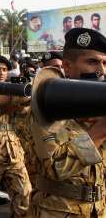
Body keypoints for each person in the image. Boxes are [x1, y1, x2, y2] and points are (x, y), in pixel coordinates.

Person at [30, 28, 106, 217]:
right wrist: (102, 129)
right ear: (67, 66)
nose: (102, 70)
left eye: (105, 63)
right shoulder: (46, 101)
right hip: (56, 211)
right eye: (92, 62)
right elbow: (55, 168)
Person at [0, 54, 31, 217]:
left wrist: (23, 98)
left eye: (5, 70)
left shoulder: (11, 90)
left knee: (25, 197)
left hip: (13, 155)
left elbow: (24, 110)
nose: (1, 73)